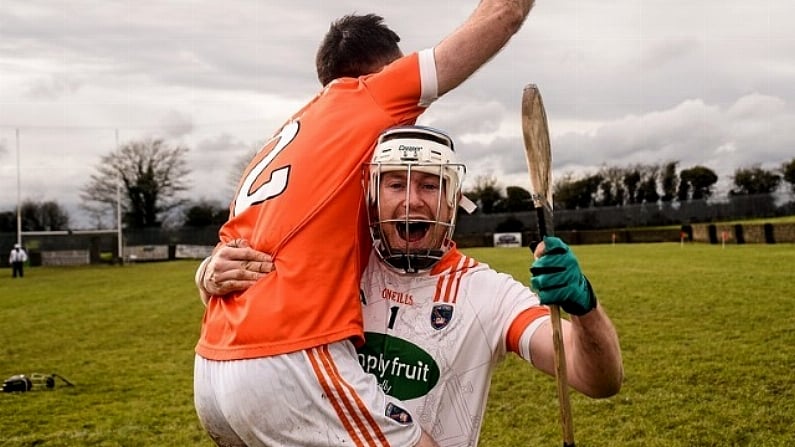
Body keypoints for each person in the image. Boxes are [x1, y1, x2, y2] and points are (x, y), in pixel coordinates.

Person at [194, 3, 537, 446]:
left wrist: (205, 272)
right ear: (381, 71)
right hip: (287, 357)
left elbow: (232, 257)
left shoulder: (288, 135)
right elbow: (500, 18)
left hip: (215, 365)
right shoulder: (372, 96)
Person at [198, 126, 624, 446]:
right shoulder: (328, 269)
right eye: (396, 183)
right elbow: (238, 309)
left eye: (429, 184)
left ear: (453, 198)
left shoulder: (489, 294)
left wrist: (584, 306)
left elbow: (597, 380)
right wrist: (211, 275)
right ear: (372, 194)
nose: (412, 201)